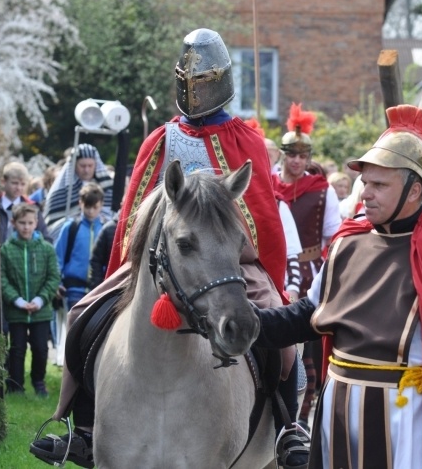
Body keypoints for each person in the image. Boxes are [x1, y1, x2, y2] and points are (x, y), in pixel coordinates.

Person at [31, 28, 303, 469]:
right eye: (188, 80)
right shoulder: (161, 138)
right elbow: (135, 206)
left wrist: (247, 256)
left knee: (281, 340)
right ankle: (77, 427)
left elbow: (260, 217)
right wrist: (133, 255)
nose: (195, 91)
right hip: (162, 254)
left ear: (221, 80)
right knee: (84, 315)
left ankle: (289, 427)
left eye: (203, 81)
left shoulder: (246, 139)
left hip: (231, 260)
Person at [253, 104, 422, 468]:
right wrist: (250, 323)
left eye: (379, 184)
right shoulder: (347, 243)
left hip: (404, 416)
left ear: (415, 191)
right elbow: (309, 315)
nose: (366, 193)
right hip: (337, 407)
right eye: (365, 182)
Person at [271, 102, 341, 432]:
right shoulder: (268, 187)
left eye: (302, 155)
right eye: (291, 154)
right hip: (273, 268)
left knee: (310, 351)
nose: (297, 161)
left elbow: (334, 237)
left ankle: (300, 420)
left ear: (309, 158)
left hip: (311, 271)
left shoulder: (323, 191)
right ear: (283, 155)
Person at [1, 203, 60, 396]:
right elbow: (2, 279)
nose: (26, 227)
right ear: (14, 223)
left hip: (40, 310)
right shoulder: (6, 250)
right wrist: (17, 300)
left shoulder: (46, 249)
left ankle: (39, 382)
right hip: (17, 310)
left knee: (41, 348)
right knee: (17, 349)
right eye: (22, 223)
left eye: (30, 223)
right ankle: (15, 385)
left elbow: (53, 277)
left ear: (36, 223)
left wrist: (40, 300)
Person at [54, 183, 106, 312]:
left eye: (95, 207)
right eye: (87, 207)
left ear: (101, 205)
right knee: (75, 327)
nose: (91, 211)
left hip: (99, 289)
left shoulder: (106, 228)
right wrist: (56, 283)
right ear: (80, 203)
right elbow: (58, 257)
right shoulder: (71, 227)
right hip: (73, 289)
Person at [44, 143, 113, 239]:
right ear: (74, 165)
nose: (86, 170)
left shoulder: (106, 187)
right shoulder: (61, 189)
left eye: (90, 165)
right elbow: (54, 223)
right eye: (82, 166)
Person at [0, 161, 52, 244]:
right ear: (3, 182)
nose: (19, 188)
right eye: (14, 183)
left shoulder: (32, 208)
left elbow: (46, 239)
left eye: (23, 184)